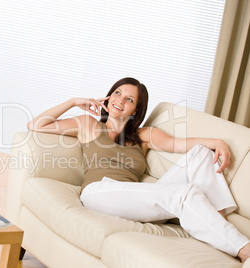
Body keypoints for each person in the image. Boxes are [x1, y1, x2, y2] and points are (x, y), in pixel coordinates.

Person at [26, 77, 250, 262]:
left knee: (202, 153)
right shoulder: (89, 124)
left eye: (129, 99)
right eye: (117, 93)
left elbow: (182, 144)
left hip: (133, 200)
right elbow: (35, 125)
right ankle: (243, 248)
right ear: (109, 95)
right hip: (99, 192)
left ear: (135, 111)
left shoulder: (144, 135)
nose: (120, 100)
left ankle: (217, 223)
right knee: (186, 193)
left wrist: (217, 142)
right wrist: (74, 101)